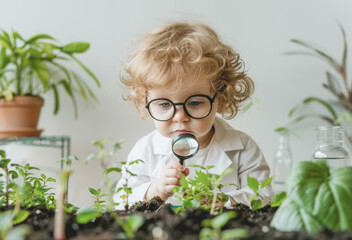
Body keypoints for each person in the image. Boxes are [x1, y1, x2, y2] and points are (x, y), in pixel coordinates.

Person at [113, 22, 274, 209]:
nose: (180, 117)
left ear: (220, 98)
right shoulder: (145, 150)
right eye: (165, 104)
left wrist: (226, 201)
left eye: (195, 103)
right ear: (145, 101)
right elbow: (120, 202)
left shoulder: (243, 149)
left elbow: (265, 195)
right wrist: (156, 190)